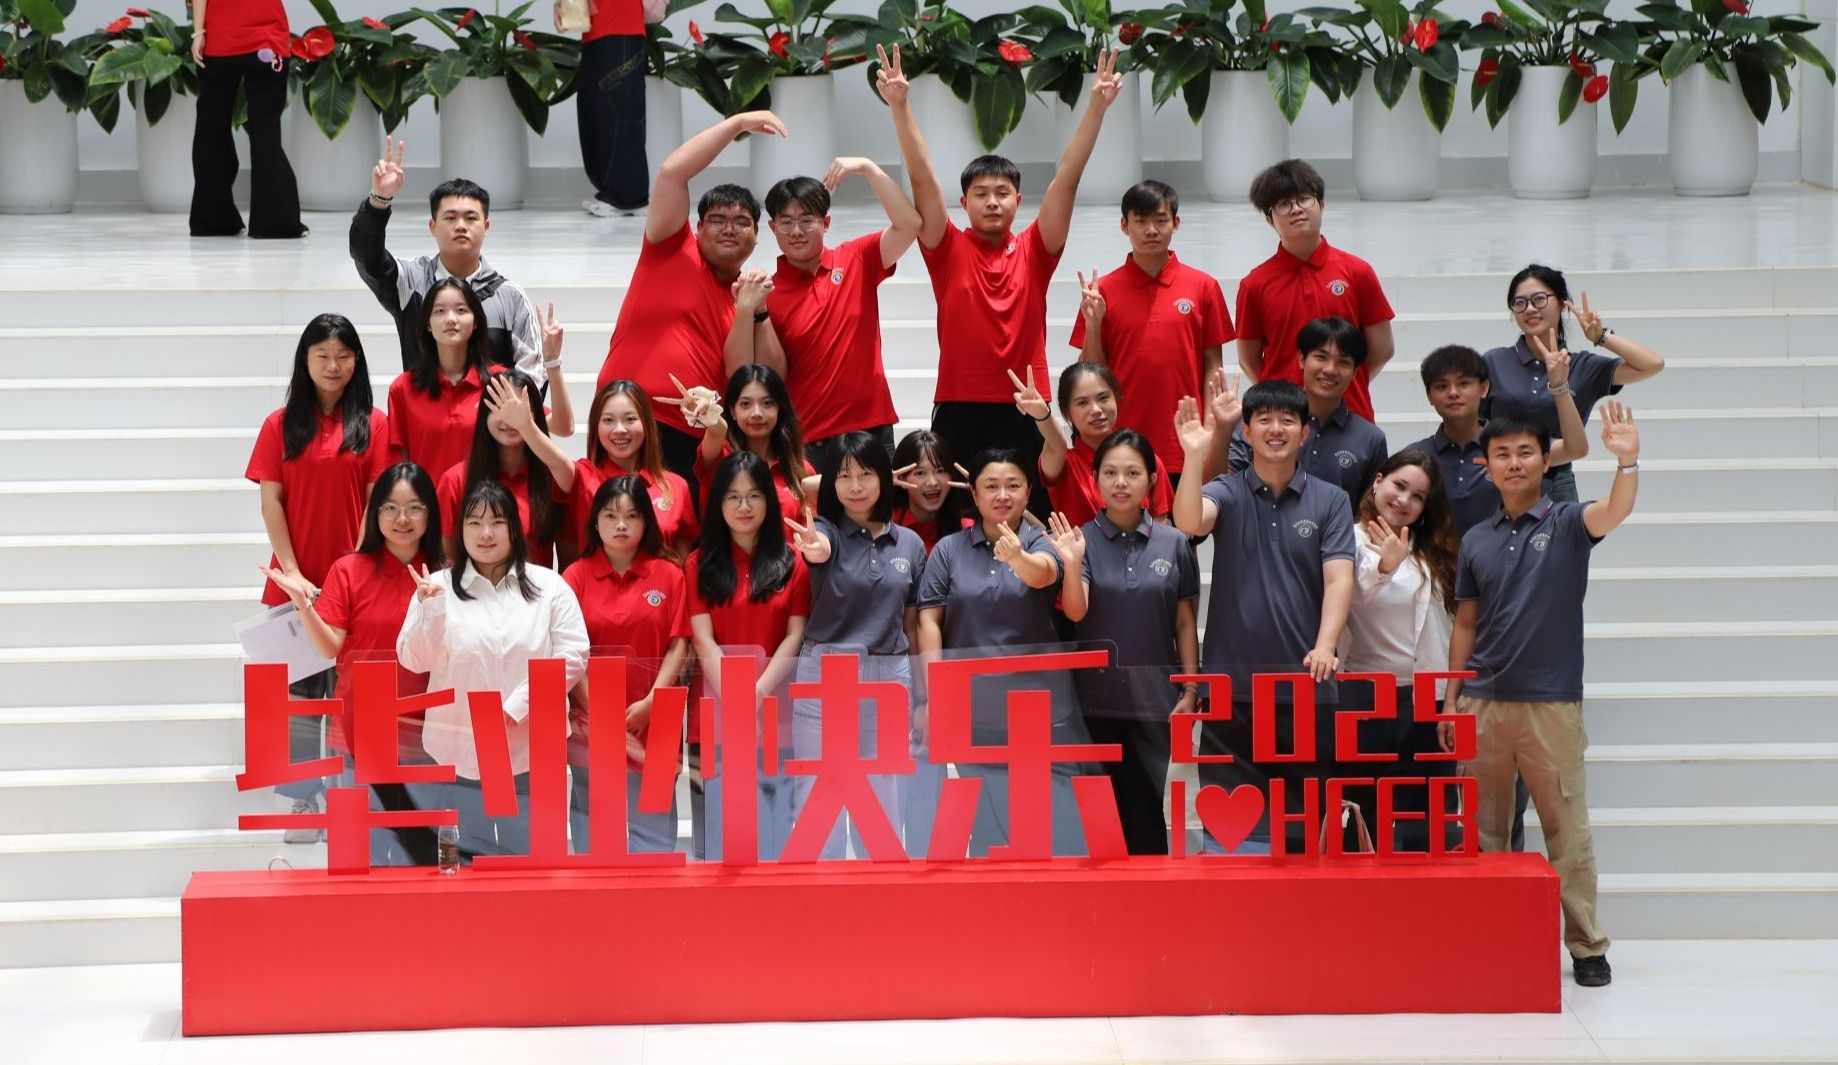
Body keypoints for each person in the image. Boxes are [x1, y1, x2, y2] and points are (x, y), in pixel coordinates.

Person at [1441, 403, 1644, 989]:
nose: (1514, 463)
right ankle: (1491, 937)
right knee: (1482, 832)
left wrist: (1627, 462)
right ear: (1485, 465)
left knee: (1567, 830)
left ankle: (1586, 945)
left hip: (1551, 703)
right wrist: (1451, 699)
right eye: (1501, 454)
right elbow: (1465, 625)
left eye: (1525, 452)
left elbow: (1614, 512)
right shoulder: (1475, 540)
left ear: (1544, 460)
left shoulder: (1568, 522)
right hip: (1481, 703)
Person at [878, 43, 1125, 517]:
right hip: (959, 406)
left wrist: (1096, 106)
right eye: (980, 193)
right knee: (957, 522)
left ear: (1018, 200)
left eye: (1002, 193)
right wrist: (900, 105)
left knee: (1032, 521)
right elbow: (922, 178)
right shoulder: (946, 248)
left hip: (1027, 407)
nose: (992, 201)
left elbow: (1067, 178)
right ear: (964, 203)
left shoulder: (1036, 249)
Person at [1172, 379, 1355, 854]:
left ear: (1305, 432)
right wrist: (1193, 456)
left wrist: (1326, 644)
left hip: (1306, 684)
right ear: (1247, 432)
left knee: (1302, 826)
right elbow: (1189, 521)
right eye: (1265, 420)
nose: (1276, 429)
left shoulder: (1331, 500)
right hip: (1231, 686)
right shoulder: (1226, 491)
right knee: (1231, 829)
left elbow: (1339, 578)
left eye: (1287, 420)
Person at [245, 314, 391, 834]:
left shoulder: (374, 424)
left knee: (354, 697)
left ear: (357, 361)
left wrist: (351, 571)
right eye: (323, 356)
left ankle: (354, 799)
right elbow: (271, 502)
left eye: (343, 356)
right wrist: (292, 573)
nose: (333, 366)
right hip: (294, 583)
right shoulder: (279, 425)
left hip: (356, 583)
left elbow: (376, 502)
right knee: (300, 699)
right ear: (305, 360)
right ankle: (304, 802)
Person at [260, 462, 446, 866]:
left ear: (430, 514)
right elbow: (330, 647)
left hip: (424, 738)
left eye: (414, 508)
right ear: (374, 513)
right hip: (358, 733)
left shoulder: (446, 576)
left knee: (420, 858)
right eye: (390, 508)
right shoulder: (349, 570)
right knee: (362, 857)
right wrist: (303, 605)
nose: (402, 519)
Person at [595, 111, 790, 496]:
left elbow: (751, 377)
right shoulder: (671, 249)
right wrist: (736, 125)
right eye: (717, 220)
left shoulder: (750, 295)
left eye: (742, 222)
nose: (729, 228)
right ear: (697, 229)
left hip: (693, 434)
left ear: (756, 237)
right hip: (624, 418)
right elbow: (672, 173)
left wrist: (753, 310)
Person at [398, 480, 590, 860]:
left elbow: (574, 653)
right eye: (474, 523)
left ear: (514, 528)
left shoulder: (549, 586)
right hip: (458, 750)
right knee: (464, 863)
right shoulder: (434, 586)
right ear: (460, 530)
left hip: (532, 750)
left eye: (497, 522)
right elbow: (414, 660)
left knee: (532, 861)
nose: (486, 533)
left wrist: (516, 706)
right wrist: (431, 611)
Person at [915, 448, 1088, 857]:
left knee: (1044, 825)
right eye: (991, 486)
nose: (1002, 495)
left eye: (1013, 485)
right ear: (974, 495)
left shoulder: (1044, 540)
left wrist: (1017, 557)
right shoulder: (948, 550)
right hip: (971, 711)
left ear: (1028, 492)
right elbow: (928, 622)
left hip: (1040, 710)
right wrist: (935, 695)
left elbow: (1043, 574)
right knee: (987, 828)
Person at [1048, 430, 1199, 855]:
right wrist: (1072, 563)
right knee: (1100, 819)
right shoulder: (1080, 539)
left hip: (1155, 701)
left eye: (1132, 473)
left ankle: (1148, 893)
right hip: (1094, 702)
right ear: (1094, 478)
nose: (1120, 483)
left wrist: (1191, 689)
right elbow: (1075, 612)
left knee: (1147, 811)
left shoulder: (1174, 543)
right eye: (1110, 472)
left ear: (1151, 479)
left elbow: (1184, 622)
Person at [784, 433, 928, 858]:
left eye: (866, 474)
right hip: (826, 671)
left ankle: (879, 888)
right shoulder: (826, 530)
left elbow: (912, 626)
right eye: (843, 477)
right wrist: (815, 549)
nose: (856, 486)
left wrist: (922, 696)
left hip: (890, 675)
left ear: (884, 477)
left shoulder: (910, 544)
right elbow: (819, 547)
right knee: (819, 792)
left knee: (884, 794)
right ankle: (823, 890)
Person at [686, 451, 811, 861]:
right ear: (718, 503)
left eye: (754, 495)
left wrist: (756, 693)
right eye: (733, 497)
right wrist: (739, 699)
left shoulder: (794, 562)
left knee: (774, 840)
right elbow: (703, 639)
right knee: (717, 843)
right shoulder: (698, 564)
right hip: (715, 718)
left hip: (778, 716)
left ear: (769, 502)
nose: (744, 506)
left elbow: (795, 635)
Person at [757, 161, 922, 468]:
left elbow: (909, 225)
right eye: (786, 222)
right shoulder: (767, 293)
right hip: (809, 441)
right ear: (772, 227)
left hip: (871, 430)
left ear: (826, 222)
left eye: (807, 220)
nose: (796, 231)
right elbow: (771, 374)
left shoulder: (857, 258)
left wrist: (868, 168)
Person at [1071, 180, 1231, 488]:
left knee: (1185, 520)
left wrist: (1210, 427)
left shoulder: (1204, 286)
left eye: (1160, 220)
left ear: (1176, 223)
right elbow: (1091, 373)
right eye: (1140, 221)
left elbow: (1213, 365)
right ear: (1124, 226)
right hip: (1122, 442)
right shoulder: (1101, 292)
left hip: (1185, 438)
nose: (1151, 230)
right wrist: (1094, 325)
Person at [1339, 449, 1460, 851]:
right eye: (1399, 486)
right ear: (1378, 481)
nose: (1404, 500)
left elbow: (1447, 627)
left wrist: (1449, 700)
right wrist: (1385, 567)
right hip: (1365, 695)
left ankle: (1426, 890)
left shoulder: (1434, 547)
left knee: (1428, 815)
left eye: (1418, 496)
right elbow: (1348, 596)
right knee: (1363, 811)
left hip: (1426, 695)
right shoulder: (1348, 537)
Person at [562, 476, 691, 853]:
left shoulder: (670, 574)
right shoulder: (575, 576)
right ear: (595, 522)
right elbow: (568, 650)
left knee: (654, 838)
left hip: (655, 721)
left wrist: (653, 701)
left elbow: (679, 644)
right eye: (610, 516)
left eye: (632, 516)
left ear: (646, 522)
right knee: (595, 835)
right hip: (591, 724)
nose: (621, 525)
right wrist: (598, 709)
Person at [352, 149, 550, 386]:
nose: (461, 226)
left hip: (494, 409)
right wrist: (379, 200)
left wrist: (509, 407)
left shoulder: (509, 296)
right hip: (424, 407)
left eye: (471, 218)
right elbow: (367, 257)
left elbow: (533, 373)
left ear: (486, 227)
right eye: (450, 218)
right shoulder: (411, 281)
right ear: (432, 226)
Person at [1485, 265, 1666, 501]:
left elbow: (1652, 364)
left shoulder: (1582, 366)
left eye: (1539, 299)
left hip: (1556, 486)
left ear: (1562, 303)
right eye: (1520, 303)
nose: (1529, 308)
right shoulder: (1494, 361)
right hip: (1500, 485)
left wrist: (1601, 337)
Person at [1236, 159, 1395, 422]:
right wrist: (1282, 396)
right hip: (1283, 424)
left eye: (1304, 199)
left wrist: (1343, 381)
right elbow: (1249, 361)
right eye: (1283, 204)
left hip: (1350, 416)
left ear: (1321, 204)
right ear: (1270, 219)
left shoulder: (1357, 272)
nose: (1296, 209)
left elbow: (1382, 349)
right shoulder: (1254, 284)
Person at [1410, 344, 1591, 538]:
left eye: (1463, 383)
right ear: (1429, 396)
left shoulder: (1514, 446)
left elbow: (1575, 449)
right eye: (1441, 386)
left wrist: (1560, 387)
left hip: (1506, 556)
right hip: (1435, 556)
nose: (1453, 393)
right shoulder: (1416, 457)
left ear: (1484, 388)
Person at [1226, 317, 1387, 505]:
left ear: (1355, 372)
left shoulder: (1371, 439)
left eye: (1343, 362)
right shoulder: (1263, 425)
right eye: (1321, 357)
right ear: (1302, 359)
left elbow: (1370, 509)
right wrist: (1221, 432)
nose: (1330, 369)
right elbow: (1224, 488)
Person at [188, 0, 303, 239]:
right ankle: (274, 222)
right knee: (265, 131)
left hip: (219, 40)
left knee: (212, 130)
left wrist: (198, 33)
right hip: (267, 40)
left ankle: (211, 220)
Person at [1014, 362, 1176, 527]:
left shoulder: (1146, 459)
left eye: (1103, 398)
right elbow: (1056, 444)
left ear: (1116, 399)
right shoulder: (1066, 464)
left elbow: (1161, 525)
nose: (1096, 409)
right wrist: (1043, 415)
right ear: (1068, 414)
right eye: (1083, 403)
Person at [436, 370, 570, 568]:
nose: (510, 419)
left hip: (536, 586)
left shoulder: (552, 478)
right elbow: (448, 560)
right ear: (484, 414)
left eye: (519, 409)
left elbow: (568, 558)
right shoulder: (454, 481)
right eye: (499, 407)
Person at [561, 381, 700, 557]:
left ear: (646, 423)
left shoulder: (676, 486)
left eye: (630, 419)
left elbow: (683, 560)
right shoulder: (580, 476)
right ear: (596, 426)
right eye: (608, 420)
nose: (619, 429)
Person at [385, 279, 492, 483]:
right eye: (440, 311)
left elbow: (554, 424)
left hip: (482, 503)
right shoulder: (402, 389)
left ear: (476, 321)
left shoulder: (498, 383)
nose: (450, 319)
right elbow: (400, 468)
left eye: (461, 310)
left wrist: (552, 363)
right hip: (427, 502)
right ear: (428, 323)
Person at [685, 364, 814, 524]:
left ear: (779, 409)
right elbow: (717, 431)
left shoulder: (800, 469)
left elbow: (816, 527)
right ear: (732, 411)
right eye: (746, 404)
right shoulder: (720, 458)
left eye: (767, 403)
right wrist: (709, 413)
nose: (757, 413)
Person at [563, 0, 648, 217]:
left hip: (620, 23)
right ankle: (611, 194)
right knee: (596, 108)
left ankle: (627, 198)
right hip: (597, 27)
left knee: (620, 109)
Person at [890, 430, 971, 554]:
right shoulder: (885, 526)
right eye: (920, 473)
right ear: (901, 478)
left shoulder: (966, 530)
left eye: (940, 471)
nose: (932, 482)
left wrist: (981, 492)